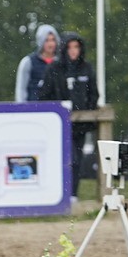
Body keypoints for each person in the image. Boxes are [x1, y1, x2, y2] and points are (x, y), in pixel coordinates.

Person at [37, 31, 99, 198]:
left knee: (77, 159)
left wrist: (87, 109)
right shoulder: (54, 69)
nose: (73, 51)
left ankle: (73, 195)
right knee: (65, 159)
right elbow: (44, 95)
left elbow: (94, 94)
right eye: (70, 47)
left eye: (76, 47)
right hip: (60, 126)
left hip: (80, 125)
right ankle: (59, 194)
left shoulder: (87, 68)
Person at [15, 24, 60, 102]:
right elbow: (21, 89)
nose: (51, 44)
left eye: (53, 40)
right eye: (47, 40)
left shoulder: (60, 62)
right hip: (34, 110)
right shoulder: (28, 62)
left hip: (55, 110)